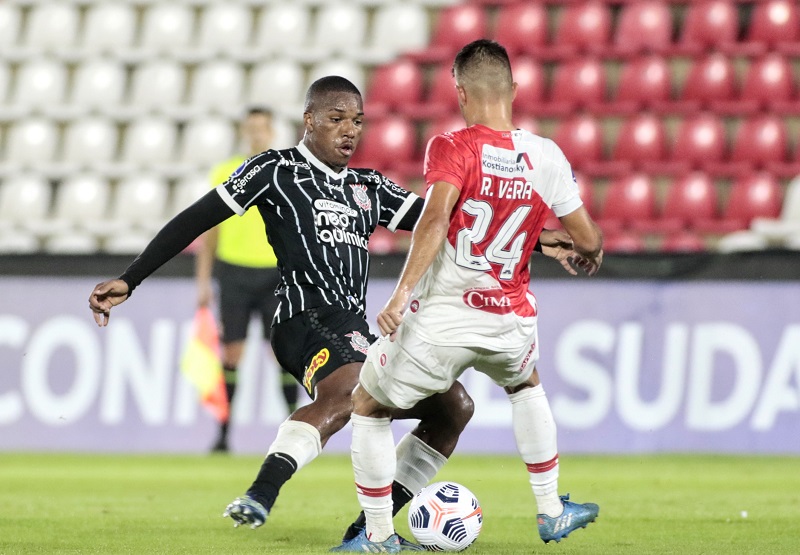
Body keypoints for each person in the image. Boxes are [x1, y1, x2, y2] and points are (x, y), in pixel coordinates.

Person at [88, 75, 578, 550]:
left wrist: (537, 239)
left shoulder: (369, 187)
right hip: (302, 316)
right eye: (337, 118)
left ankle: (367, 528)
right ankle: (262, 492)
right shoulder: (274, 170)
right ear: (309, 120)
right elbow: (196, 218)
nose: (350, 130)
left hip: (352, 327)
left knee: (454, 407)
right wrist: (131, 278)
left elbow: (451, 222)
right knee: (348, 392)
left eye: (359, 121)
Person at [337, 40, 604, 553]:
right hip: (510, 317)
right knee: (526, 384)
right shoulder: (547, 156)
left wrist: (399, 295)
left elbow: (436, 219)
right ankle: (551, 511)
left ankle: (377, 537)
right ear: (515, 90)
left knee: (367, 405)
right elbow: (588, 239)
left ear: (459, 92)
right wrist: (580, 250)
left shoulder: (453, 146)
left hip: (445, 317)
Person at [195, 106, 300, 453]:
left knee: (283, 353)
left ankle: (294, 431)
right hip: (234, 272)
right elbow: (209, 231)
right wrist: (204, 281)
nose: (257, 134)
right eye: (251, 128)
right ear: (245, 131)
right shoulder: (226, 172)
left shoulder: (286, 170)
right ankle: (223, 433)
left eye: (262, 129)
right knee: (232, 354)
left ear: (271, 132)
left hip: (275, 273)